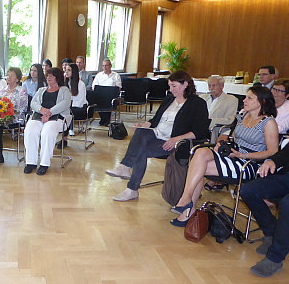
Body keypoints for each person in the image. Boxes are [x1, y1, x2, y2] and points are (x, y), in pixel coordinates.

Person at [171, 86, 279, 226]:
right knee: (200, 154)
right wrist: (222, 144)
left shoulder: (268, 122)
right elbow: (233, 138)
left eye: (249, 98)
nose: (244, 100)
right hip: (234, 156)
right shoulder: (244, 116)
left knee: (198, 165)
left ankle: (186, 206)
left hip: (250, 164)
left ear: (262, 102)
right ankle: (186, 203)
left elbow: (272, 151)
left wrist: (243, 155)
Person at [106, 70, 210, 202]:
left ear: (185, 85)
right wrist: (144, 124)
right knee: (140, 132)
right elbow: (155, 121)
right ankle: (125, 168)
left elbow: (200, 131)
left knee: (140, 151)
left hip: (175, 141)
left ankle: (131, 188)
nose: (171, 89)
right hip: (157, 134)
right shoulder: (169, 99)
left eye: (174, 86)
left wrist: (176, 139)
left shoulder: (197, 103)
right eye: (170, 86)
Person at [240, 139, 289, 277]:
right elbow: (287, 152)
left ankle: (275, 258)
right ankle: (272, 232)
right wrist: (273, 161)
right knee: (248, 190)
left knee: (288, 203)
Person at [24, 67, 71, 176]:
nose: (48, 77)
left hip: (57, 117)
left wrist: (50, 112)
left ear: (57, 78)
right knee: (30, 130)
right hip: (40, 116)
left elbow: (65, 103)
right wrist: (42, 110)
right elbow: (33, 103)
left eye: (51, 75)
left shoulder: (64, 90)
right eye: (47, 75)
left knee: (47, 131)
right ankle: (31, 162)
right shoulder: (41, 90)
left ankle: (44, 163)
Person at [199, 75, 238, 140]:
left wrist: (209, 121)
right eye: (209, 86)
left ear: (222, 86)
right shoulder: (202, 97)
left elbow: (230, 120)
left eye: (214, 85)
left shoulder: (231, 100)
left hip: (214, 129)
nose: (211, 88)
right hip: (198, 127)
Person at [57, 63, 87, 147]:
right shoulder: (65, 83)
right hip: (68, 107)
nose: (66, 72)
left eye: (69, 70)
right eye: (66, 70)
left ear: (74, 72)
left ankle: (64, 139)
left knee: (65, 113)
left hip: (80, 108)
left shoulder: (80, 84)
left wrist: (66, 103)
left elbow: (79, 101)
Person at [92, 58, 121, 126]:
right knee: (98, 100)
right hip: (100, 96)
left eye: (106, 65)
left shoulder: (116, 75)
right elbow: (94, 87)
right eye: (103, 66)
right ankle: (105, 120)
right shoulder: (99, 75)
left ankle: (105, 120)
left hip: (111, 97)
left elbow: (118, 88)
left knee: (109, 101)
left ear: (110, 66)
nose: (104, 67)